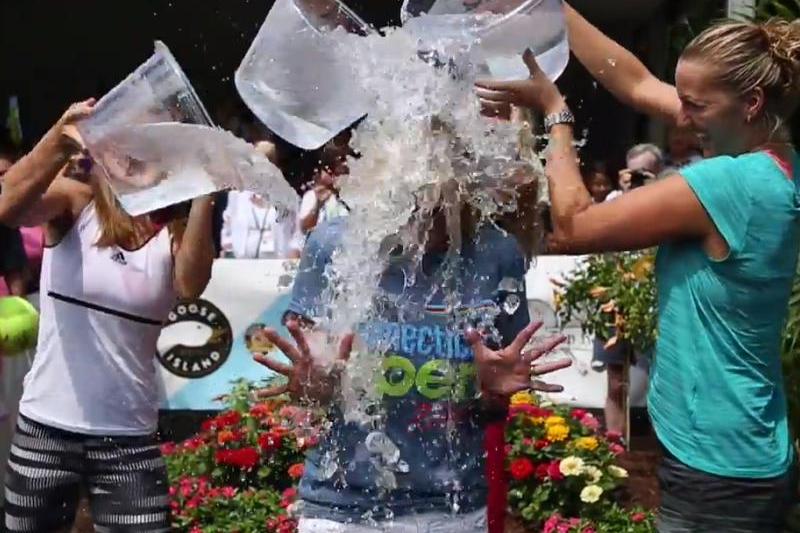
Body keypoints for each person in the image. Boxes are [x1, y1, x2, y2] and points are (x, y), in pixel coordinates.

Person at [475, 9, 800, 530]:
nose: (681, 118)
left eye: (693, 106)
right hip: (741, 445)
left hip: (717, 468)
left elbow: (574, 226)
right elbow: (636, 81)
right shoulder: (772, 153)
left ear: (750, 104)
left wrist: (555, 114)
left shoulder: (731, 184)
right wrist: (549, 10)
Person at [253, 189, 571, 532]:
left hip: (452, 510)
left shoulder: (497, 252)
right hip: (341, 505)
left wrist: (492, 394)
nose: (429, 202)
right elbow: (314, 395)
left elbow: (490, 409)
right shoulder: (335, 243)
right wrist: (314, 388)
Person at [0, 100, 216, 532]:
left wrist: (207, 186)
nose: (140, 155)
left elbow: (191, 284)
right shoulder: (76, 202)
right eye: (132, 142)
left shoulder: (171, 235)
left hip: (128, 440)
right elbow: (8, 207)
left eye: (159, 147)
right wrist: (62, 135)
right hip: (46, 430)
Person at [220, 189, 303, 259]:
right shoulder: (236, 195)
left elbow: (297, 233)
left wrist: (294, 254)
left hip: (277, 263)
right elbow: (227, 230)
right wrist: (227, 253)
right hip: (241, 262)